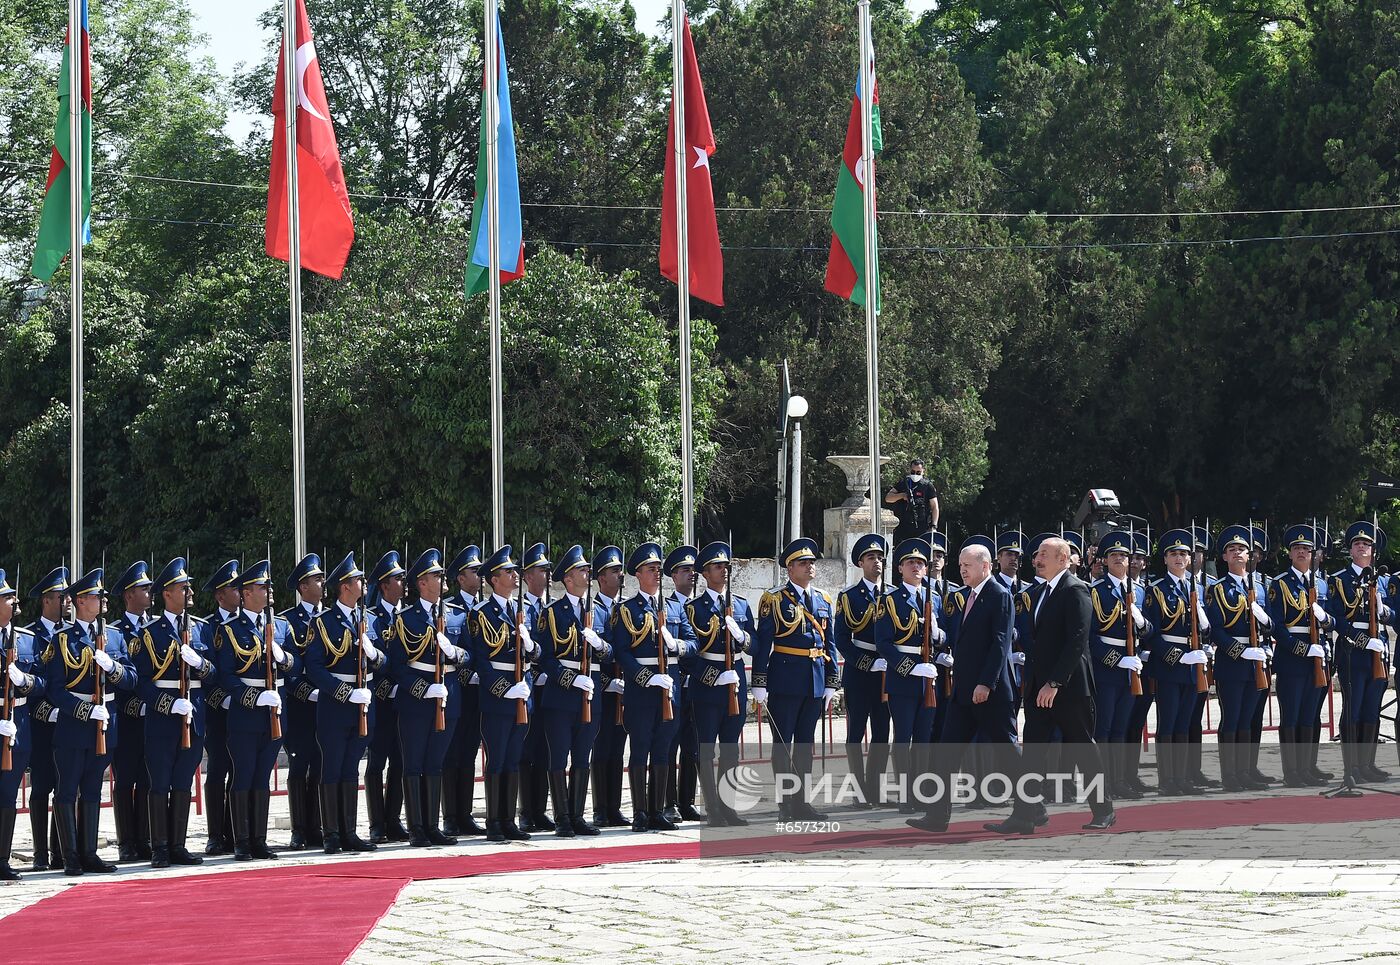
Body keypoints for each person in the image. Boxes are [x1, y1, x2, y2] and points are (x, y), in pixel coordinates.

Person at [986, 537, 1115, 833]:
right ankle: (1025, 814)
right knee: (1032, 752)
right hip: (1039, 687)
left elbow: (1077, 640)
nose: (1037, 559)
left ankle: (1104, 809)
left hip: (1068, 688)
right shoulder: (1042, 591)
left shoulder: (1075, 589)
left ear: (1064, 559)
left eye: (1044, 554)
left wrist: (1055, 682)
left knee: (1083, 748)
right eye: (1037, 554)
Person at [913, 540, 1017, 833]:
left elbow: (1000, 643)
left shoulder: (998, 595)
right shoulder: (969, 596)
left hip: (988, 693)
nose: (962, 571)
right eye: (960, 566)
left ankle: (1032, 807)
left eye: (967, 566)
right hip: (963, 692)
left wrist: (986, 682)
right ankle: (937, 815)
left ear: (986, 566)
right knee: (946, 753)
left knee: (1007, 751)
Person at [43, 568, 136, 875]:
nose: (102, 599)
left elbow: (131, 679)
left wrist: (112, 667)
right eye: (96, 596)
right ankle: (70, 855)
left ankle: (89, 852)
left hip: (105, 724)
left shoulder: (114, 637)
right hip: (74, 726)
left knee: (94, 789)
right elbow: (55, 690)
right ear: (81, 601)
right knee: (68, 789)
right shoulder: (62, 641)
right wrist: (83, 711)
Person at [608, 543, 696, 831]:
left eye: (659, 569)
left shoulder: (675, 608)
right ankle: (640, 812)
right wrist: (646, 677)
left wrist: (677, 646)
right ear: (637, 575)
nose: (657, 574)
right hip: (641, 691)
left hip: (670, 688)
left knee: (663, 749)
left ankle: (658, 810)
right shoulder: (626, 610)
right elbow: (621, 652)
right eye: (651, 569)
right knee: (641, 748)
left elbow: (693, 642)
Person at [133, 558, 214, 867]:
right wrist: (168, 704)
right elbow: (141, 683)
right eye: (183, 587)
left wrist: (200, 664)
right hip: (163, 719)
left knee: (182, 781)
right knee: (160, 781)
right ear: (167, 593)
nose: (189, 591)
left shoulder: (200, 629)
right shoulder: (150, 634)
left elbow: (214, 674)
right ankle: (160, 847)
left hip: (193, 716)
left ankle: (178, 845)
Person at [212, 559, 294, 861]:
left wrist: (282, 656)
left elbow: (294, 665)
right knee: (244, 775)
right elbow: (227, 676)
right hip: (246, 716)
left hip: (274, 714)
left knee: (262, 778)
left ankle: (260, 839)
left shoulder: (280, 626)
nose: (268, 591)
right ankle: (242, 841)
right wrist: (254, 698)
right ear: (246, 594)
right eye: (262, 587)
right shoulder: (230, 630)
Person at [384, 548, 466, 847]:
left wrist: (454, 652)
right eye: (436, 575)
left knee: (435, 763)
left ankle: (433, 825)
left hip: (448, 698)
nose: (442, 578)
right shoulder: (405, 619)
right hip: (417, 704)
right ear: (421, 583)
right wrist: (422, 689)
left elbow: (468, 654)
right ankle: (416, 827)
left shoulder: (455, 615)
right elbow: (396, 666)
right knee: (414, 764)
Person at [752, 538, 839, 821]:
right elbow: (764, 642)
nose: (810, 566)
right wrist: (760, 680)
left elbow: (830, 643)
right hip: (786, 678)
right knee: (783, 744)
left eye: (812, 562)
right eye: (803, 563)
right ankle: (785, 804)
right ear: (790, 568)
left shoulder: (824, 598)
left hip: (814, 679)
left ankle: (802, 802)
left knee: (804, 745)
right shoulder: (774, 598)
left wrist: (831, 679)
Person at [307, 553, 384, 854]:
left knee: (351, 768)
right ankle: (332, 834)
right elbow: (314, 667)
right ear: (345, 587)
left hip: (363, 705)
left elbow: (382, 661)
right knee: (333, 767)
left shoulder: (367, 620)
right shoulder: (323, 622)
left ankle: (350, 831)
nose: (364, 583)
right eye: (358, 580)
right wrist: (344, 693)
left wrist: (375, 655)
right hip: (336, 708)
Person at [535, 544, 607, 837]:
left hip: (590, 694)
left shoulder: (598, 611)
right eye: (581, 570)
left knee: (582, 755)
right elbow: (545, 657)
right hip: (562, 696)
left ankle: (578, 815)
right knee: (559, 756)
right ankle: (562, 817)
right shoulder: (551, 613)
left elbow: (611, 650)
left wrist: (600, 646)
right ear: (567, 579)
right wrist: (569, 678)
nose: (587, 573)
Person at [470, 545, 537, 842]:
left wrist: (531, 646)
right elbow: (481, 662)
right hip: (499, 700)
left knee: (513, 759)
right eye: (508, 572)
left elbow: (537, 654)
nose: (514, 576)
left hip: (522, 694)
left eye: (514, 571)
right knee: (496, 760)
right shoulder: (481, 614)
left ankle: (509, 819)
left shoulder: (521, 611)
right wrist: (505, 690)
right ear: (494, 580)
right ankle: (494, 821)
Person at [683, 541, 751, 827]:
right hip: (709, 686)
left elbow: (755, 645)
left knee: (731, 749)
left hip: (736, 680)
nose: (723, 571)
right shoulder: (693, 608)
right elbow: (688, 656)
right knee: (707, 749)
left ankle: (728, 806)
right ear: (705, 573)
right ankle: (712, 808)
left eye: (726, 566)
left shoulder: (741, 604)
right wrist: (712, 676)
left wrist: (743, 638)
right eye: (717, 567)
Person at [875, 538, 945, 816]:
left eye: (921, 563)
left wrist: (940, 636)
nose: (916, 567)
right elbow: (883, 643)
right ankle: (905, 794)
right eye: (911, 562)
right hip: (904, 678)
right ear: (900, 568)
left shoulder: (935, 599)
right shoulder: (889, 601)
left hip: (929, 677)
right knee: (903, 737)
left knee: (924, 738)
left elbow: (944, 637)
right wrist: (909, 667)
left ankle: (922, 793)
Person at [1142, 530, 1212, 796]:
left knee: (1185, 723)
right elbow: (1151, 634)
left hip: (1193, 664)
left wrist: (1205, 636)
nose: (1180, 558)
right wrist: (1178, 656)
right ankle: (1166, 780)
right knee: (1169, 723)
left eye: (1184, 554)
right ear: (1166, 558)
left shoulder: (1195, 588)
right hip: (1171, 666)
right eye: (1174, 554)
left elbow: (1204, 629)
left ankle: (1182, 778)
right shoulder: (1157, 590)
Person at [1206, 525, 1274, 792]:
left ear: (1251, 555)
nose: (1237, 554)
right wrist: (1241, 651)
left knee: (1249, 719)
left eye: (1242, 549)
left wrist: (1266, 642)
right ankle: (1230, 775)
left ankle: (1246, 771)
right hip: (1232, 663)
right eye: (1231, 550)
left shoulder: (1262, 586)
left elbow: (1272, 624)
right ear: (1224, 557)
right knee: (1232, 718)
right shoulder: (1218, 589)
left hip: (1258, 661)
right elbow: (1216, 630)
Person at [1266, 525, 1334, 788]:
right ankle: (1291, 772)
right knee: (1292, 716)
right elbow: (1278, 627)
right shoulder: (1280, 584)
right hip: (1293, 659)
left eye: (1306, 549)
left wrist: (1326, 621)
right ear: (1290, 553)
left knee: (1310, 716)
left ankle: (1308, 768)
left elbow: (1331, 621)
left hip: (1318, 658)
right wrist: (1302, 648)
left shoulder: (1321, 584)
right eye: (1297, 549)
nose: (1302, 553)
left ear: (1314, 554)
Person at [1088, 531, 1153, 799]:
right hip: (1107, 670)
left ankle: (1119, 781)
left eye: (1124, 555)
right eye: (1114, 555)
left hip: (1131, 668)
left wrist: (1140, 621)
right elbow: (1090, 637)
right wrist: (1116, 660)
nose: (1119, 559)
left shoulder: (1139, 591)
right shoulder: (1094, 591)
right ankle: (1103, 785)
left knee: (1122, 728)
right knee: (1103, 729)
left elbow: (1150, 631)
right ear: (1104, 561)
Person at [1328, 521, 1394, 786]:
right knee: (1353, 710)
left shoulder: (1384, 581)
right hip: (1353, 653)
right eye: (1357, 543)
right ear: (1351, 550)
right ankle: (1351, 766)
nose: (1362, 547)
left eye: (1367, 544)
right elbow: (1337, 618)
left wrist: (1384, 611)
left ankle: (1368, 764)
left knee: (1371, 711)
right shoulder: (1339, 580)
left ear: (1373, 551)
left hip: (1378, 653)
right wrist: (1362, 640)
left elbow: (1394, 614)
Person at [833, 533, 891, 808]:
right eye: (871, 558)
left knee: (882, 732)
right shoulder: (849, 597)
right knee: (856, 731)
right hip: (860, 672)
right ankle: (859, 791)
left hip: (887, 670)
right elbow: (842, 639)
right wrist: (867, 662)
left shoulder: (892, 594)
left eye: (880, 558)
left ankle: (876, 789)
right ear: (860, 563)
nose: (877, 562)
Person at [280, 553, 326, 850]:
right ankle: (299, 828)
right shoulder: (288, 621)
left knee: (322, 765)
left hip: (328, 705)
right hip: (300, 707)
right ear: (302, 586)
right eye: (317, 579)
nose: (323, 583)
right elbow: (289, 669)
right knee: (299, 766)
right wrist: (306, 692)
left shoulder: (331, 617)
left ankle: (318, 825)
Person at [25, 566, 69, 872]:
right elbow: (31, 687)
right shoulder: (32, 637)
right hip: (41, 725)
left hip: (69, 722)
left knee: (66, 785)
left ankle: (60, 850)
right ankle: (41, 852)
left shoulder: (72, 634)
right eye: (60, 597)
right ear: (46, 601)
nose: (67, 602)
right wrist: (48, 712)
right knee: (42, 787)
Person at [0, 569, 43, 881]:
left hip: (19, 725)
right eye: (6, 598)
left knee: (9, 795)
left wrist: (24, 680)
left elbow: (42, 683)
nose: (13, 601)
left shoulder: (27, 640)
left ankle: (2, 859)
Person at [109, 560, 153, 862]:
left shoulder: (158, 626)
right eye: (143, 588)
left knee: (149, 779)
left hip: (154, 716)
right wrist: (132, 705)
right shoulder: (116, 632)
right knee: (125, 780)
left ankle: (146, 838)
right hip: (124, 718)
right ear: (128, 595)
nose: (149, 591)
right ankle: (127, 841)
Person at [365, 551, 408, 844]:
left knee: (401, 761)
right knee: (377, 761)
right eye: (397, 578)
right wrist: (387, 688)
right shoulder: (371, 618)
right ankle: (376, 823)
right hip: (381, 699)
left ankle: (394, 819)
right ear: (383, 585)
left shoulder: (409, 615)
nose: (403, 583)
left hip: (406, 699)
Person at [443, 545, 485, 835]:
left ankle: (465, 813)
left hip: (480, 693)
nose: (480, 576)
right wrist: (469, 674)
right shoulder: (451, 611)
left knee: (469, 751)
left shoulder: (486, 608)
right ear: (460, 578)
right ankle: (451, 815)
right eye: (475, 571)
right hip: (457, 689)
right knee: (451, 753)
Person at [200, 560, 241, 856]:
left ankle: (237, 831)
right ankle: (216, 834)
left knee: (241, 771)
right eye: (232, 587)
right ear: (219, 595)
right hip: (218, 712)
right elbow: (207, 674)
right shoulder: (208, 627)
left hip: (246, 710)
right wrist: (222, 699)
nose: (239, 592)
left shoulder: (249, 623)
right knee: (217, 771)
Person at [590, 545, 630, 827]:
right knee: (601, 749)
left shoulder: (625, 608)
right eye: (615, 571)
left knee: (618, 749)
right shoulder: (591, 610)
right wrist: (607, 683)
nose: (620, 576)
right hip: (601, 690)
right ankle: (600, 808)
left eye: (620, 570)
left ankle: (614, 807)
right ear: (601, 577)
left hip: (624, 690)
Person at [663, 544, 702, 823]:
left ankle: (687, 801)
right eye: (685, 570)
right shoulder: (668, 607)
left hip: (697, 686)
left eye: (693, 570)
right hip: (675, 685)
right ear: (673, 576)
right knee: (669, 744)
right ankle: (668, 802)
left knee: (693, 745)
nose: (691, 575)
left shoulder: (700, 606)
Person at [517, 542, 553, 832]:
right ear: (528, 576)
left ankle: (540, 809)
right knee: (526, 751)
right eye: (542, 570)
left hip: (549, 688)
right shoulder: (523, 609)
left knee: (545, 750)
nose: (547, 576)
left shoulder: (551, 608)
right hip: (529, 685)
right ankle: (526, 810)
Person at [884, 459, 938, 543]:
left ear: (923, 471)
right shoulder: (904, 483)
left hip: (922, 527)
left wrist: (934, 526)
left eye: (918, 472)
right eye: (913, 472)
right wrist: (902, 495)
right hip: (903, 527)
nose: (915, 474)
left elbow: (935, 507)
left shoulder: (928, 486)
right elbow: (888, 498)